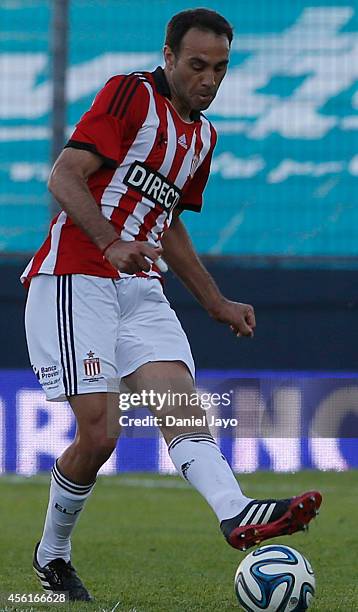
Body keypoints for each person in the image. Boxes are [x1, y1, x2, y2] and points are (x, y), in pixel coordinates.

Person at [23, 8, 321, 601]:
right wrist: (111, 241)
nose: (209, 79)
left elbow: (171, 223)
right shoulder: (130, 96)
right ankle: (51, 554)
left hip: (140, 288)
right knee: (100, 434)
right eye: (197, 66)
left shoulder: (202, 137)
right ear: (168, 56)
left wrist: (215, 301)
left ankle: (236, 514)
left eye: (220, 69)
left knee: (180, 403)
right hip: (75, 277)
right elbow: (64, 174)